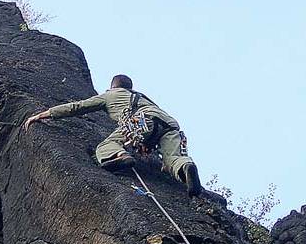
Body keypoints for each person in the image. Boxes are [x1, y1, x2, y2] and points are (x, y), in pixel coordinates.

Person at [24, 74, 202, 196]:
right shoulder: (143, 97)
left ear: (112, 86)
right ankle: (185, 168)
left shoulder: (110, 96)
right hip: (170, 124)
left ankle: (121, 156)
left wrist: (44, 114)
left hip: (141, 120)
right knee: (174, 157)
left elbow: (78, 107)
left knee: (106, 145)